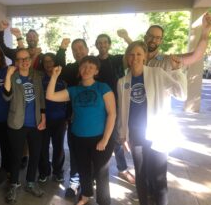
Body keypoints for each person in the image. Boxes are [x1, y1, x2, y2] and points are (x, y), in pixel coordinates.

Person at [117, 41, 187, 205]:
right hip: (135, 135)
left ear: (145, 57)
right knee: (141, 176)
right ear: (127, 58)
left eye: (139, 54)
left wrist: (177, 70)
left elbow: (181, 94)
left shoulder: (157, 73)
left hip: (157, 133)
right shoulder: (122, 82)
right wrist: (122, 135)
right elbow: (122, 110)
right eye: (132, 54)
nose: (135, 58)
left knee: (158, 177)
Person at [47, 56, 116, 205]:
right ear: (79, 69)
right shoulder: (73, 90)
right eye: (84, 66)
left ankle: (104, 202)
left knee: (101, 173)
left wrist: (105, 139)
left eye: (91, 67)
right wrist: (54, 76)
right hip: (78, 137)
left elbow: (112, 114)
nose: (87, 70)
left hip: (100, 138)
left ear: (96, 71)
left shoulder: (103, 88)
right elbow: (50, 96)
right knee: (83, 170)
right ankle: (86, 194)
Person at [3, 48, 46, 203]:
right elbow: (6, 97)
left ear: (30, 59)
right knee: (15, 156)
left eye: (26, 58)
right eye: (20, 59)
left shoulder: (36, 76)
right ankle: (14, 184)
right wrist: (8, 74)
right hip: (16, 123)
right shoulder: (12, 77)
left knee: (35, 155)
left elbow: (40, 97)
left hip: (35, 123)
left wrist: (43, 117)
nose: (24, 61)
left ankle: (30, 182)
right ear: (16, 62)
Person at [95, 33, 135, 184]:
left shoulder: (117, 60)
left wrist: (126, 37)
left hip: (116, 104)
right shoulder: (94, 61)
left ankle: (122, 168)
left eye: (105, 42)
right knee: (97, 136)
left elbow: (134, 53)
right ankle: (95, 168)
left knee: (116, 137)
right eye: (99, 43)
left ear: (109, 44)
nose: (102, 45)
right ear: (96, 45)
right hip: (97, 106)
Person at [56, 38, 88, 197]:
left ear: (87, 49)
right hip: (74, 119)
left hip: (94, 121)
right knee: (74, 152)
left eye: (80, 48)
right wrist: (62, 48)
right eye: (74, 50)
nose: (78, 52)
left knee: (90, 154)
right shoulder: (71, 69)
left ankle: (88, 182)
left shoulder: (96, 66)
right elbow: (58, 67)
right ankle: (75, 183)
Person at [38, 53, 67, 183]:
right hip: (44, 120)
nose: (48, 64)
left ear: (55, 63)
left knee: (59, 147)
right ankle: (44, 172)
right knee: (43, 147)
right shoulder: (40, 80)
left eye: (51, 61)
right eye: (45, 62)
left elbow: (68, 99)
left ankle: (58, 171)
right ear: (42, 64)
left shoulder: (62, 80)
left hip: (60, 120)